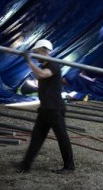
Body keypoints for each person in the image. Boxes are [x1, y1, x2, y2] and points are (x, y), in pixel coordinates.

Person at [16, 39, 75, 174]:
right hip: (45, 108)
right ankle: (26, 165)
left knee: (62, 137)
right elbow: (41, 74)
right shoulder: (44, 66)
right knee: (37, 137)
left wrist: (29, 61)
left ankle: (69, 166)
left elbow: (42, 75)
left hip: (54, 108)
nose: (37, 56)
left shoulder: (53, 65)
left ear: (43, 51)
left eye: (37, 53)